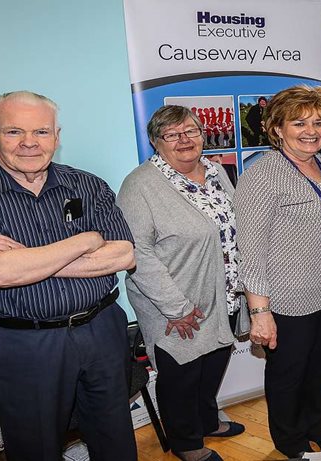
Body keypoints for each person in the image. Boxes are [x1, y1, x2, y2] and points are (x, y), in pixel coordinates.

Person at [0, 91, 137, 461]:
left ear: (56, 137)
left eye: (41, 132)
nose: (30, 143)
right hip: (24, 343)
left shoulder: (88, 185)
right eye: (14, 131)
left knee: (115, 440)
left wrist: (28, 259)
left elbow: (125, 254)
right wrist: (87, 240)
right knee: (35, 449)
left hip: (103, 330)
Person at [234, 85, 321, 458]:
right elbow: (252, 251)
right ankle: (290, 442)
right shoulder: (262, 176)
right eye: (299, 122)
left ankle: (317, 426)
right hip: (284, 302)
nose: (312, 130)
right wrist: (260, 312)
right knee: (287, 376)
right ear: (277, 128)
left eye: (320, 122)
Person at [117, 105, 246, 461]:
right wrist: (176, 307)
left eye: (190, 131)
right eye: (172, 135)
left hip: (223, 295)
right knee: (181, 377)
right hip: (173, 303)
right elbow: (137, 252)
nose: (184, 140)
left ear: (203, 135)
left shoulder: (217, 171)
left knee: (213, 364)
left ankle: (206, 420)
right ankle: (187, 444)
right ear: (156, 143)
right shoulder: (140, 185)